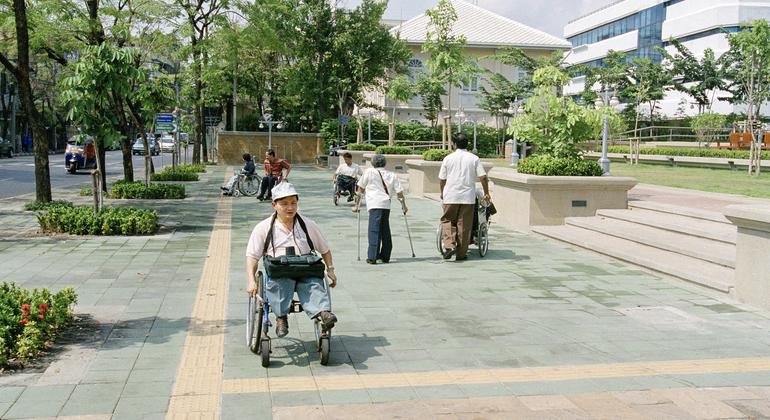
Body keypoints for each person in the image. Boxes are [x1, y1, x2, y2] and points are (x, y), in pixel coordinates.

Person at [246, 182, 338, 337]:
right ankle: (281, 317)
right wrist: (251, 280)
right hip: (280, 271)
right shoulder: (263, 227)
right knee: (280, 285)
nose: (290, 208)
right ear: (274, 205)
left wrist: (330, 269)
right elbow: (252, 256)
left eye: (293, 203)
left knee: (313, 285)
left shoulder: (308, 224)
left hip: (305, 267)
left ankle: (323, 313)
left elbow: (325, 250)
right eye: (284, 204)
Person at [439, 133, 491, 261]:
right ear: (467, 144)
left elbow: (442, 179)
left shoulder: (448, 158)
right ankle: (461, 254)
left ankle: (449, 245)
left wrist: (442, 192)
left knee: (447, 220)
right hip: (467, 197)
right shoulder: (474, 158)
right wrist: (486, 193)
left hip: (450, 195)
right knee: (464, 225)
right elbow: (483, 177)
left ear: (454, 144)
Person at [352, 154, 407, 265]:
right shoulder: (392, 175)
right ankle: (385, 255)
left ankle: (373, 257)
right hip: (386, 204)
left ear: (373, 163)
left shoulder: (369, 172)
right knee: (385, 229)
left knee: (374, 230)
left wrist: (356, 205)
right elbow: (399, 193)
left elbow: (360, 189)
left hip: (374, 203)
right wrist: (404, 205)